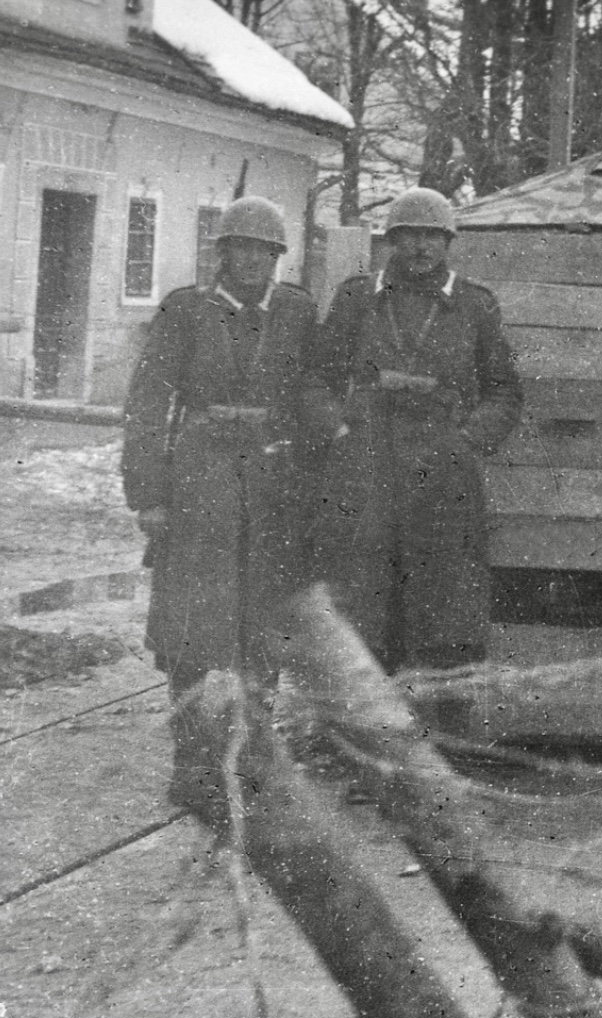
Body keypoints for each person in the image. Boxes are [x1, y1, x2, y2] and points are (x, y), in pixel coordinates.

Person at [122, 196, 325, 813]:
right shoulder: (186, 311)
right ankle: (192, 765)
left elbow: (311, 393)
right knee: (189, 631)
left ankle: (257, 761)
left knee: (262, 631)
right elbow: (148, 405)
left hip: (270, 488)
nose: (254, 262)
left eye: (266, 252)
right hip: (199, 487)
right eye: (242, 249)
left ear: (279, 259)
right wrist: (148, 493)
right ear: (223, 253)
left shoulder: (296, 313)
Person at [306, 186, 522, 673]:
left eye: (432, 236)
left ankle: (441, 728)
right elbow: (318, 379)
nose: (421, 247)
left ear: (448, 243)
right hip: (368, 472)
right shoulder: (359, 298)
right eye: (409, 236)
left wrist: (466, 443)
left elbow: (504, 393)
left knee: (442, 613)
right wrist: (339, 432)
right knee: (364, 607)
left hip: (442, 477)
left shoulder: (474, 305)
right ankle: (361, 734)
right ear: (391, 241)